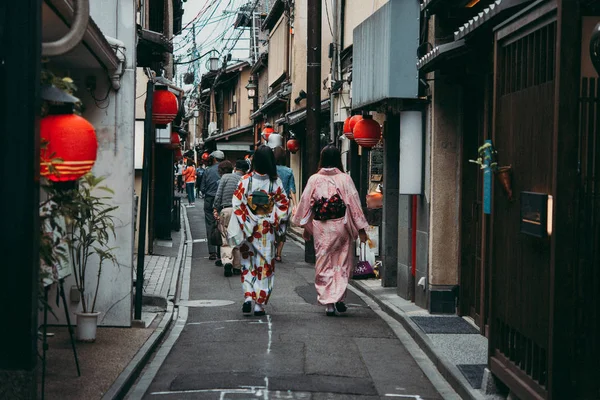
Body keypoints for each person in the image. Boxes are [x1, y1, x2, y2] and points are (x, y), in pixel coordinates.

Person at [292, 145, 369, 316]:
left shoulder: (314, 179)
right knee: (342, 263)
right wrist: (361, 229)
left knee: (324, 262)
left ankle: (329, 303)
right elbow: (354, 203)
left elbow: (307, 203)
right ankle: (339, 297)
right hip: (341, 225)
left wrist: (305, 225)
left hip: (322, 227)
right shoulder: (344, 179)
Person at [231, 145, 290, 316]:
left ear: (254, 161)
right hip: (266, 230)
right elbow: (284, 205)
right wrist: (272, 218)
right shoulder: (274, 182)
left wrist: (248, 220)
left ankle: (248, 296)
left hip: (248, 230)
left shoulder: (245, 180)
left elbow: (237, 203)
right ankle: (259, 304)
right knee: (265, 266)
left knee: (247, 264)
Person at [213, 159, 249, 277]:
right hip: (239, 212)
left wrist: (215, 209)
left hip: (226, 209)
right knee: (236, 238)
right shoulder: (245, 180)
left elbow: (218, 195)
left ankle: (227, 261)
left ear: (235, 168)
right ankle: (237, 266)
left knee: (225, 238)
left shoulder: (225, 178)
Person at [272, 146, 297, 262]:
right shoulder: (289, 171)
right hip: (284, 203)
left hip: (271, 203)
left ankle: (272, 248)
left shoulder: (270, 170)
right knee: (283, 228)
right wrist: (295, 205)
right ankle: (278, 254)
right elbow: (292, 189)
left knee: (271, 226)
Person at [200, 150, 225, 260]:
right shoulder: (225, 171)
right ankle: (221, 251)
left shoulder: (208, 171)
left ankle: (212, 252)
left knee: (210, 224)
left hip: (209, 199)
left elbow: (202, 188)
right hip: (222, 200)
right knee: (221, 224)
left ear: (214, 159)